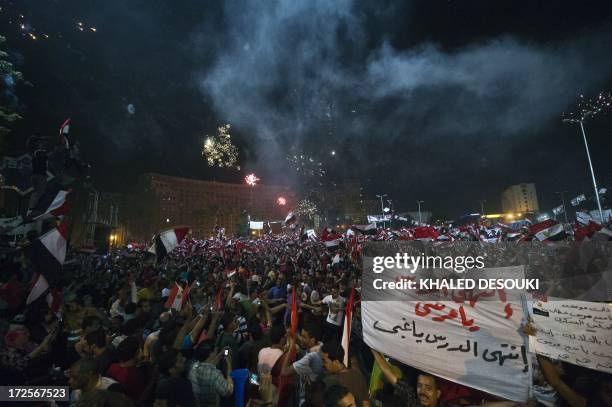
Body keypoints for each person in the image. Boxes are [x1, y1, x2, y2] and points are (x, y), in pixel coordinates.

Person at [321, 341, 369, 406]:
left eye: (324, 361)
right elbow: (366, 404)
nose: (322, 364)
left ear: (336, 362)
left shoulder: (329, 381)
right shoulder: (358, 375)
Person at [188, 342, 234, 407]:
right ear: (210, 354)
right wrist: (229, 366)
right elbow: (228, 391)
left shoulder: (193, 367)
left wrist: (220, 354)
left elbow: (208, 365)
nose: (216, 352)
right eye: (215, 351)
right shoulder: (215, 374)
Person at [106, 336, 147, 402]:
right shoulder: (136, 375)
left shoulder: (112, 367)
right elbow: (139, 398)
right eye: (139, 349)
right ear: (136, 354)